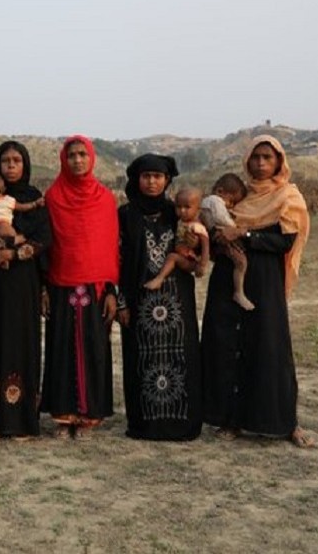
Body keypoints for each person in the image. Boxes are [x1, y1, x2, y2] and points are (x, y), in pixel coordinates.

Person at [202, 135, 313, 448]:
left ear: (279, 161)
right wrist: (219, 235)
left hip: (264, 280)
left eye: (268, 157)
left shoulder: (288, 196)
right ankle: (231, 419)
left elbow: (284, 241)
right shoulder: (238, 194)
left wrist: (246, 233)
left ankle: (284, 422)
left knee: (269, 345)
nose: (261, 164)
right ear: (247, 161)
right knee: (225, 344)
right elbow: (215, 223)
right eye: (256, 157)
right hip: (228, 276)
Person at [0, 141, 51, 441]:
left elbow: (44, 239)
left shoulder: (33, 199)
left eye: (17, 160)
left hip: (23, 284)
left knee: (19, 342)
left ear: (25, 164)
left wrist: (12, 254)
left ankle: (20, 419)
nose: (11, 165)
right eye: (5, 161)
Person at [118, 153, 203, 441]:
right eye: (146, 176)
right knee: (141, 359)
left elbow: (195, 257)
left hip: (177, 301)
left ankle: (182, 425)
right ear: (136, 179)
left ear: (167, 180)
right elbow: (117, 260)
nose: (152, 181)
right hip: (139, 300)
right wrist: (121, 301)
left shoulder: (178, 211)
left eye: (158, 176)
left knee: (181, 357)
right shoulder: (125, 215)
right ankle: (145, 426)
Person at [42, 135, 119, 440]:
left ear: (92, 158)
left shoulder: (104, 198)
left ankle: (88, 418)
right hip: (60, 283)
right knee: (61, 349)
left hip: (96, 286)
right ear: (64, 159)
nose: (77, 160)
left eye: (82, 155)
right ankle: (63, 417)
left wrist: (112, 290)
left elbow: (112, 247)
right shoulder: (53, 196)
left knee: (94, 349)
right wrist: (43, 289)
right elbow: (47, 246)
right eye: (71, 155)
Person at [200, 173, 253, 310]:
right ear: (220, 192)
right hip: (222, 236)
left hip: (215, 236)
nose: (230, 206)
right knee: (241, 262)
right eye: (231, 201)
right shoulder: (215, 200)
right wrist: (235, 227)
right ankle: (239, 292)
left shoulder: (207, 201)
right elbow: (221, 218)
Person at [143, 187, 209, 290]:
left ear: (198, 209)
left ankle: (159, 279)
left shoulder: (196, 226)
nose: (182, 211)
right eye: (179, 207)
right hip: (183, 256)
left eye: (187, 207)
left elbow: (205, 243)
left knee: (172, 257)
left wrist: (202, 265)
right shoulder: (181, 221)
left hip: (190, 260)